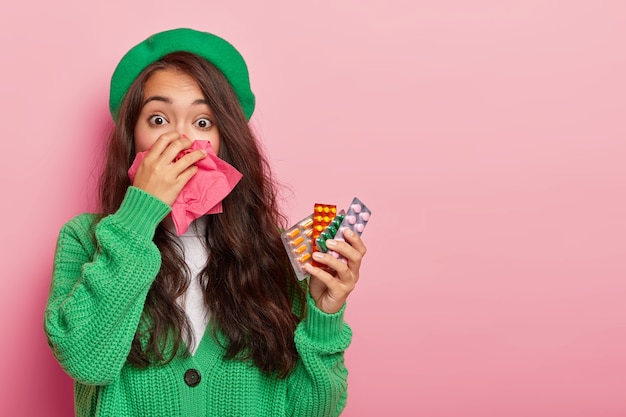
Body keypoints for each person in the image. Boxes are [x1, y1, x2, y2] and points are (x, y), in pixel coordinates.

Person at [44, 27, 367, 417]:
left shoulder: (277, 254)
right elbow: (85, 361)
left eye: (202, 122)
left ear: (225, 140)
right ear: (132, 136)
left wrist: (324, 315)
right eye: (159, 119)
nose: (181, 138)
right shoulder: (85, 240)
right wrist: (138, 214)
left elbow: (311, 412)